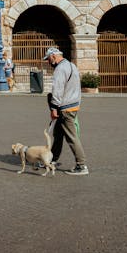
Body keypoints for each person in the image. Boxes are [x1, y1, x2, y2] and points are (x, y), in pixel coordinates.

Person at [44, 47, 88, 176]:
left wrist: (54, 108)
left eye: (48, 59)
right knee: (58, 135)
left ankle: (81, 165)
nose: (48, 62)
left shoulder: (60, 69)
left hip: (65, 107)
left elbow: (57, 90)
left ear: (53, 56)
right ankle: (52, 159)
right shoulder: (71, 65)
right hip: (73, 104)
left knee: (72, 137)